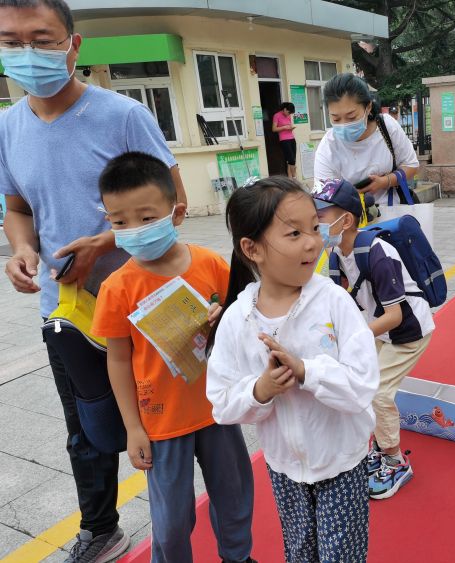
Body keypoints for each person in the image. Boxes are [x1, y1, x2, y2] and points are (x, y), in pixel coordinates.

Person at [0, 1, 185, 560]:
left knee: (170, 420)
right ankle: (101, 528)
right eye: (11, 41)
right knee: (88, 427)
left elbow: (174, 203)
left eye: (42, 38)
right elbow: (17, 206)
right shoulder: (7, 126)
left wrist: (105, 243)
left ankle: (181, 525)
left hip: (144, 302)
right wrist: (22, 249)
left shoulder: (123, 115)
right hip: (68, 312)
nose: (27, 53)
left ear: (73, 45)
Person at [91, 153, 254, 563]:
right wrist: (132, 428)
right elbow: (116, 360)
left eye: (146, 218)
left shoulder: (211, 265)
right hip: (162, 422)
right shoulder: (117, 287)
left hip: (218, 409)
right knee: (172, 518)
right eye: (118, 221)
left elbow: (244, 322)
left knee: (234, 496)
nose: (133, 230)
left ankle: (237, 556)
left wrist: (225, 319)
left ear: (175, 212)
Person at [206, 178, 379, 563]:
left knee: (342, 556)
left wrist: (307, 372)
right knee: (300, 552)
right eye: (294, 233)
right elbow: (221, 402)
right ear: (252, 249)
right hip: (285, 469)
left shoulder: (333, 301)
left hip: (342, 462)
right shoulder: (238, 319)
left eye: (315, 228)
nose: (312, 242)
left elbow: (363, 383)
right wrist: (260, 390)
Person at [312, 178, 435, 499]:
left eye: (320, 218)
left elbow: (395, 315)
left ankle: (396, 461)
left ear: (346, 220)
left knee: (379, 392)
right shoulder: (337, 256)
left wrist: (353, 337)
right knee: (365, 385)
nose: (316, 225)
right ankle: (381, 448)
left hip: (408, 330)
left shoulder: (378, 252)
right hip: (379, 327)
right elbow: (341, 306)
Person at [314, 73, 419, 205]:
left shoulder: (386, 126)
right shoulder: (328, 146)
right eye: (335, 118)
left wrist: (384, 182)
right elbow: (323, 197)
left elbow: (411, 165)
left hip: (392, 214)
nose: (343, 124)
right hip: (352, 220)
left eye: (351, 117)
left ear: (368, 107)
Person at [272, 102, 297, 178]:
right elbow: (274, 129)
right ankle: (294, 177)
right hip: (284, 140)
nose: (289, 114)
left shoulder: (288, 116)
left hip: (292, 138)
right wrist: (284, 127)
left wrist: (290, 128)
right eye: (289, 112)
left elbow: (289, 125)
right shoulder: (276, 115)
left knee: (292, 161)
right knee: (291, 160)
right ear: (285, 109)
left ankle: (290, 179)